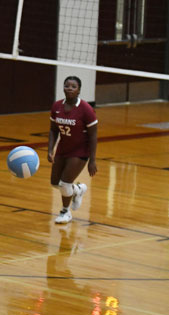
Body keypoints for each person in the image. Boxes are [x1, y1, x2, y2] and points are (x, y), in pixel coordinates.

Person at [47, 76, 98, 224]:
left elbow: (93, 136)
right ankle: (77, 190)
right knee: (55, 183)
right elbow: (53, 130)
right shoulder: (57, 106)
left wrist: (92, 160)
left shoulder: (86, 109)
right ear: (63, 88)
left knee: (64, 183)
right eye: (67, 85)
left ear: (79, 90)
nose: (70, 88)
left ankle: (65, 212)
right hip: (63, 149)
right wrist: (50, 149)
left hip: (80, 151)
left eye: (73, 86)